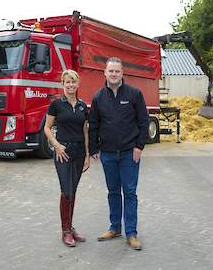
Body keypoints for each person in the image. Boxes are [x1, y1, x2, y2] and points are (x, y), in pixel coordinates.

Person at [89, 57, 149, 250]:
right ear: (104, 73)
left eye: (117, 71)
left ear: (123, 73)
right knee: (113, 192)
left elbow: (143, 122)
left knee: (129, 192)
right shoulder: (98, 97)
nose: (114, 74)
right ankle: (115, 227)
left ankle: (131, 233)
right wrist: (94, 148)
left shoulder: (134, 94)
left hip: (128, 153)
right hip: (107, 154)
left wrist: (139, 146)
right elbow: (94, 125)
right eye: (110, 71)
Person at [44, 69, 90, 247]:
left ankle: (70, 227)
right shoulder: (56, 104)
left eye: (73, 82)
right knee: (67, 191)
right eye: (67, 82)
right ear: (62, 85)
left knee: (74, 191)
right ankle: (65, 231)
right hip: (63, 152)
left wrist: (87, 154)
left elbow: (85, 130)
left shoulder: (82, 106)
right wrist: (56, 145)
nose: (70, 85)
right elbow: (47, 128)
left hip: (79, 152)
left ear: (78, 84)